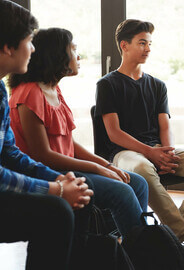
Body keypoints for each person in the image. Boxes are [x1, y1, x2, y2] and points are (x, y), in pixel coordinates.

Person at [95, 19, 184, 270]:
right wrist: (151, 153)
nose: (148, 48)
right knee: (143, 170)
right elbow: (114, 133)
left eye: (150, 43)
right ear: (124, 45)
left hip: (156, 149)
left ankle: (171, 235)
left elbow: (165, 127)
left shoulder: (157, 85)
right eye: (142, 43)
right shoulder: (107, 85)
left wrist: (168, 153)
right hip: (125, 153)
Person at [8, 27, 148, 238]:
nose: (79, 55)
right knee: (123, 192)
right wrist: (98, 169)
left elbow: (68, 143)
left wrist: (106, 164)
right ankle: (141, 254)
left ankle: (121, 248)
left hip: (67, 167)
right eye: (73, 49)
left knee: (137, 182)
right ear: (56, 55)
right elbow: (42, 156)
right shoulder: (29, 93)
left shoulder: (53, 89)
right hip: (49, 173)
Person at [0, 1, 93, 269]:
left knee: (82, 194)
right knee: (57, 211)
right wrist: (56, 189)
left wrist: (58, 179)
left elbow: (11, 154)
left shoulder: (0, 91)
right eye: (29, 41)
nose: (33, 49)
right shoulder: (27, 92)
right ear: (8, 47)